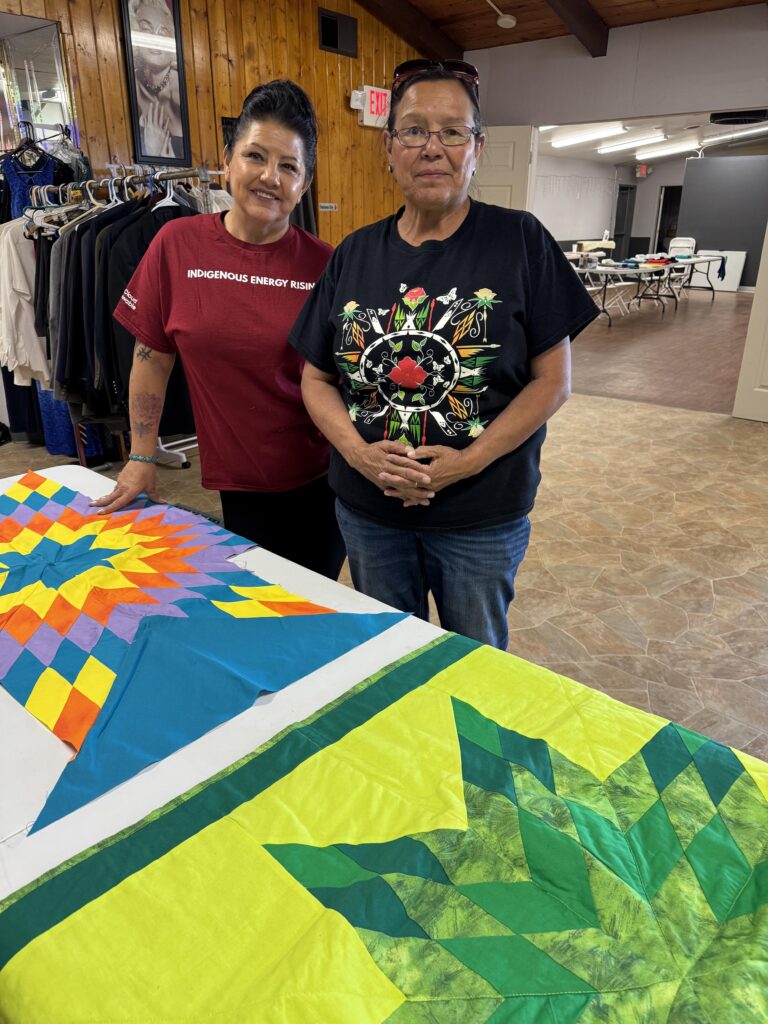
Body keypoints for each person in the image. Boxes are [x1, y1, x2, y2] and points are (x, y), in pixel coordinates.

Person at [290, 59, 598, 648]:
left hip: (479, 516)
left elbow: (552, 381)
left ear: (477, 147)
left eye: (452, 132)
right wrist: (358, 455)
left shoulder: (521, 241)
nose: (432, 148)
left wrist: (466, 461)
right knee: (387, 656)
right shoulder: (354, 253)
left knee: (477, 664)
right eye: (413, 130)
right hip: (370, 513)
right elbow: (315, 377)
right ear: (389, 147)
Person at [95, 80, 345, 580]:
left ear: (305, 183)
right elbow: (152, 356)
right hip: (238, 484)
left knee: (308, 616)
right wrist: (142, 455)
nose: (270, 177)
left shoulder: (329, 266)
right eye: (256, 156)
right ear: (227, 164)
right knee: (250, 612)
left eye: (289, 166)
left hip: (324, 480)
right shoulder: (176, 244)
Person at [128, 0, 184, 159]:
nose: (155, 39)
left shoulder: (180, 94)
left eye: (163, 32)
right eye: (146, 29)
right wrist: (153, 152)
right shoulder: (130, 89)